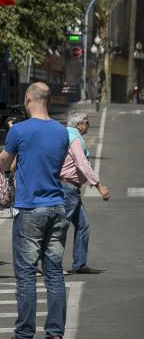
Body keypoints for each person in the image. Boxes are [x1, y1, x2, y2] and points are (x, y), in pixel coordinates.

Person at [0, 82, 70, 339]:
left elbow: (5, 162)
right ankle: (54, 338)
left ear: (28, 97)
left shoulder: (19, 130)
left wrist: (10, 160)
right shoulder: (62, 132)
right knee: (54, 273)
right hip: (57, 207)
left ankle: (24, 338)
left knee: (26, 275)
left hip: (30, 209)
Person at [61, 111, 110, 274]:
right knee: (60, 227)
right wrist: (98, 185)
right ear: (79, 124)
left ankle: (79, 264)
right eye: (87, 123)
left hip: (71, 188)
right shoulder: (74, 138)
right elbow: (82, 162)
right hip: (67, 187)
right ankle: (51, 264)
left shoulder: (69, 135)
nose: (88, 126)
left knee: (83, 225)